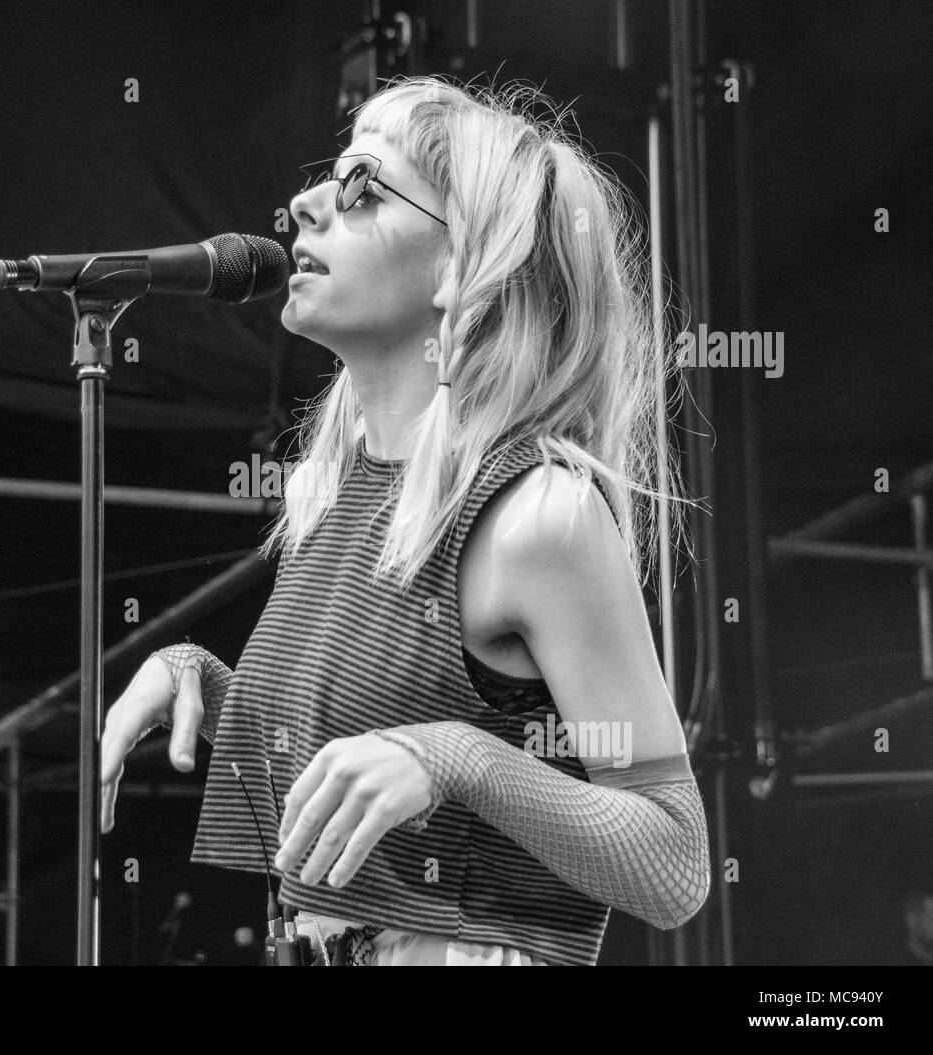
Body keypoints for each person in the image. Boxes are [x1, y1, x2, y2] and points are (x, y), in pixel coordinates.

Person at [101, 76, 710, 966]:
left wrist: (452, 756)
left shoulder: (535, 512)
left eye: (360, 189)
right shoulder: (341, 499)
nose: (305, 204)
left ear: (463, 263)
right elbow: (367, 767)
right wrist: (202, 677)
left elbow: (677, 858)